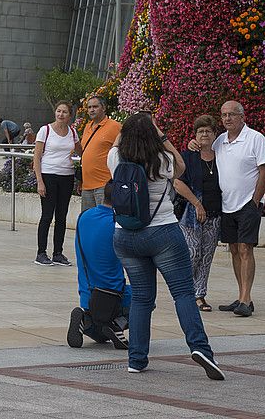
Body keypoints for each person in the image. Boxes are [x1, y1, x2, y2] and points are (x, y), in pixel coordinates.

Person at [109, 113, 224, 379]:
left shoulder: (115, 159)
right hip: (162, 233)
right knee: (183, 293)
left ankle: (136, 359)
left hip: (125, 236)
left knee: (141, 297)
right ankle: (200, 348)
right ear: (154, 136)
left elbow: (116, 144)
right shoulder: (162, 160)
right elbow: (182, 167)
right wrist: (160, 134)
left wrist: (127, 128)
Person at [213, 101, 265, 317]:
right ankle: (241, 296)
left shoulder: (256, 138)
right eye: (224, 115)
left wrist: (255, 202)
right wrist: (194, 143)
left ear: (242, 117)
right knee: (235, 249)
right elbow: (205, 152)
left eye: (232, 115)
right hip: (227, 204)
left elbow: (264, 172)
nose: (227, 119)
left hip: (248, 203)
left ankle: (246, 299)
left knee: (246, 248)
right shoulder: (220, 141)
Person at [69, 181, 130, 349]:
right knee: (146, 297)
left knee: (101, 335)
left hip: (86, 294)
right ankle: (116, 324)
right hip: (112, 294)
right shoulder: (118, 225)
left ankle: (85, 319)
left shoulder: (84, 216)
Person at [174, 115, 223, 312]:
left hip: (215, 214)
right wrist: (196, 204)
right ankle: (184, 292)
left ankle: (199, 295)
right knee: (192, 254)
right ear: (195, 135)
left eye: (208, 131)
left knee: (206, 257)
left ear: (214, 135)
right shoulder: (188, 156)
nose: (204, 134)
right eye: (200, 131)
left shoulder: (222, 155)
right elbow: (177, 182)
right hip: (192, 216)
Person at [33, 101, 81, 266]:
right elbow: (37, 157)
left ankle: (58, 253)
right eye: (59, 111)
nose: (61, 114)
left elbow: (81, 151)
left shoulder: (72, 132)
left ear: (70, 115)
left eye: (65, 112)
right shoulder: (45, 131)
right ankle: (41, 253)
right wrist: (40, 181)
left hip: (66, 177)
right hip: (48, 176)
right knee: (47, 215)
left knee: (62, 216)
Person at [79, 95, 122, 211]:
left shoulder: (115, 126)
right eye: (89, 107)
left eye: (95, 106)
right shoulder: (87, 127)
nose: (91, 110)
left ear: (104, 108)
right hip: (86, 186)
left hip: (104, 185)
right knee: (88, 221)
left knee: (104, 221)